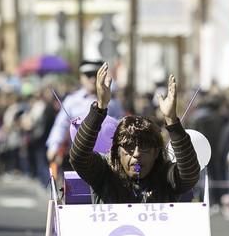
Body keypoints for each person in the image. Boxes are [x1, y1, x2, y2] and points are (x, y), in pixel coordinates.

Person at [69, 63, 199, 203]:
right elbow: (79, 157)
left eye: (144, 147)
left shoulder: (166, 176)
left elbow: (189, 174)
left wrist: (172, 122)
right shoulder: (105, 173)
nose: (136, 154)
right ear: (117, 151)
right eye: (129, 147)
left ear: (156, 152)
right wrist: (100, 108)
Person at [47, 60, 123, 169]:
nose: (92, 79)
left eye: (96, 75)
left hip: (106, 161)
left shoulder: (113, 102)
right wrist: (54, 146)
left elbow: (121, 125)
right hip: (78, 159)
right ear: (81, 77)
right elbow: (60, 125)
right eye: (88, 75)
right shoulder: (71, 101)